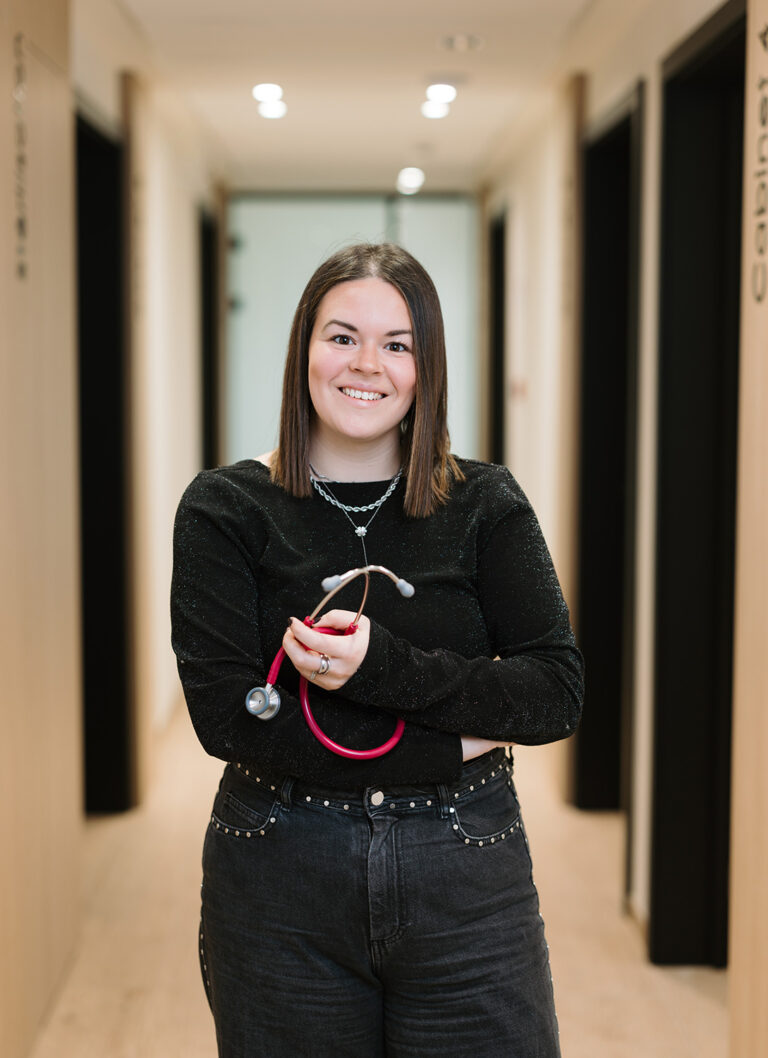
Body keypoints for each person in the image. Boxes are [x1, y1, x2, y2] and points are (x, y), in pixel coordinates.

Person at [171, 243, 583, 1058]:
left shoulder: (483, 502)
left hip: (466, 864)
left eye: (398, 344)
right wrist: (452, 736)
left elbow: (553, 692)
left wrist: (381, 670)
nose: (368, 365)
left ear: (426, 366)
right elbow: (229, 722)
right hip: (279, 864)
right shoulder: (224, 508)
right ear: (303, 349)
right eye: (342, 336)